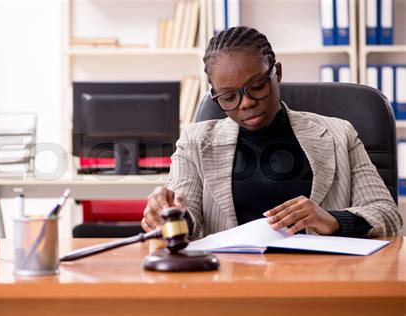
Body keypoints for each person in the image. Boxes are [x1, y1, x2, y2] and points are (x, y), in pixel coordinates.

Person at [141, 26, 402, 240]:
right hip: (229, 282)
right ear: (215, 96)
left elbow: (387, 214)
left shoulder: (338, 133)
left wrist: (333, 220)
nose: (245, 103)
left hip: (323, 279)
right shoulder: (195, 141)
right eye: (229, 96)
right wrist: (169, 215)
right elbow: (188, 218)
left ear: (276, 72)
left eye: (256, 87)